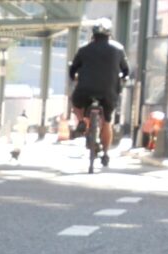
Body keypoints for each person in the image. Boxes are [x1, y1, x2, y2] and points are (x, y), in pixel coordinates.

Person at [68, 18, 130, 166]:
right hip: (109, 91)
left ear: (93, 34)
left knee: (75, 102)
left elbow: (73, 69)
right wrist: (122, 80)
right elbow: (126, 71)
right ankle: (106, 153)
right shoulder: (118, 49)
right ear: (109, 33)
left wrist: (75, 78)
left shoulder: (83, 49)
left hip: (85, 90)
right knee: (107, 122)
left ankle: (82, 120)